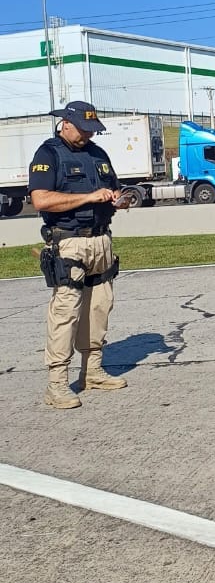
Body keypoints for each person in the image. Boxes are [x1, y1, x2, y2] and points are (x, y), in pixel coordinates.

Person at [28, 100, 130, 410]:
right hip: (69, 242)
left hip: (101, 241)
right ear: (66, 123)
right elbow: (41, 200)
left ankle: (93, 371)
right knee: (66, 312)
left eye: (92, 130)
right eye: (84, 130)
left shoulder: (97, 154)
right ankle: (57, 384)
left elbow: (114, 188)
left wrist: (118, 199)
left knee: (99, 308)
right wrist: (88, 196)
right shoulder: (48, 153)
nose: (88, 136)